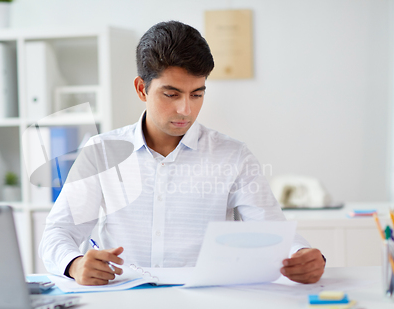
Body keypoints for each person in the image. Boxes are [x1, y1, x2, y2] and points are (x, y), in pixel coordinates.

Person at [39, 21, 326, 286]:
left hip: (207, 300)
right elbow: (57, 233)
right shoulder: (101, 153)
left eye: (196, 94)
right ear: (142, 89)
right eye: (171, 94)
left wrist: (304, 255)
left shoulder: (233, 156)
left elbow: (272, 233)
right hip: (123, 298)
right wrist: (74, 264)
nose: (185, 110)